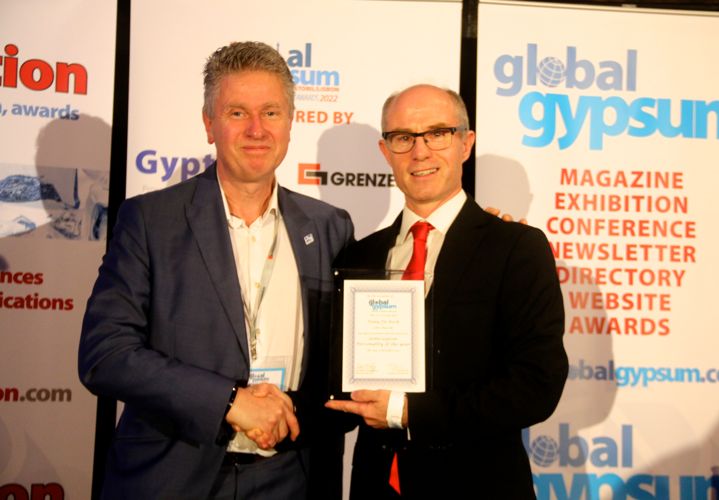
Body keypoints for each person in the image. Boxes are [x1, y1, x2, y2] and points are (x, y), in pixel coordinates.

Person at [78, 41, 353, 499]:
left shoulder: (330, 227)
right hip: (173, 475)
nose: (256, 130)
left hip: (292, 476)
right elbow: (105, 353)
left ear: (290, 122)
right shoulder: (151, 220)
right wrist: (229, 402)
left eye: (270, 112)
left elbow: (348, 358)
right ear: (209, 124)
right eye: (237, 113)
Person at [326, 84, 567, 499]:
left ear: (465, 144)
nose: (420, 151)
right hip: (375, 487)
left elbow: (536, 386)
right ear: (385, 151)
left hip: (478, 487)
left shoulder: (516, 248)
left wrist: (409, 412)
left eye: (437, 133)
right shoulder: (360, 256)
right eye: (403, 137)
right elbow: (342, 383)